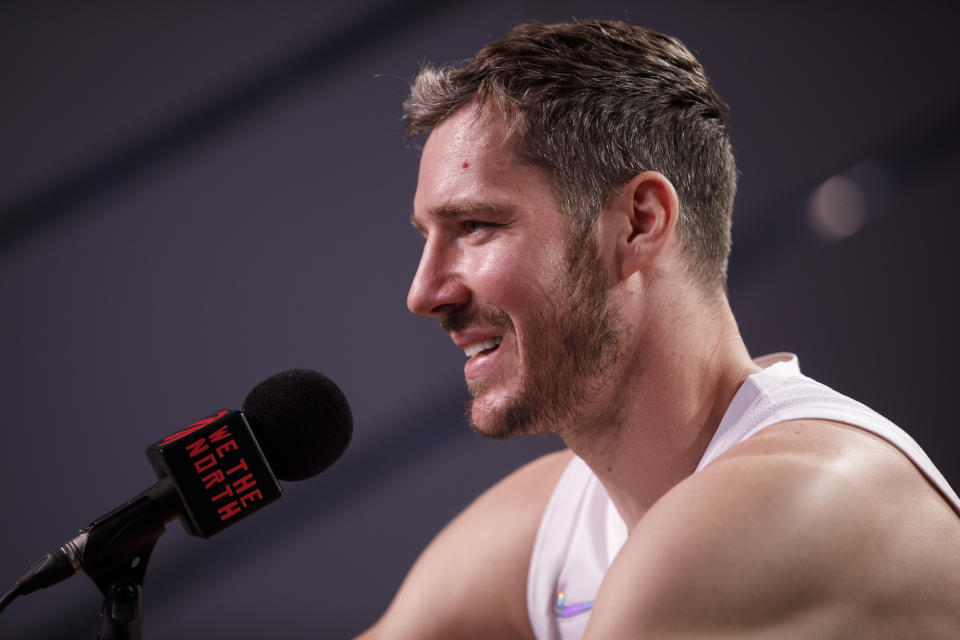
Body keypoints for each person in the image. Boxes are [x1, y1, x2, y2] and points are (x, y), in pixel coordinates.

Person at [358, 20, 960, 639]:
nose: (423, 294)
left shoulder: (790, 501)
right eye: (426, 237)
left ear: (639, 224)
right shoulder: (557, 522)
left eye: (476, 225)